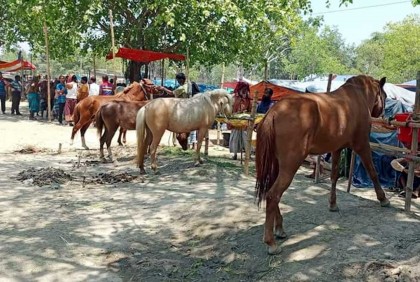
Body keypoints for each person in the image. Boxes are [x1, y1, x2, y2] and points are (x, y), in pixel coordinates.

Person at [229, 81, 251, 160]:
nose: (244, 91)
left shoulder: (248, 100)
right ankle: (235, 154)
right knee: (234, 139)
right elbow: (230, 110)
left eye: (246, 89)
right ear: (239, 89)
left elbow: (250, 111)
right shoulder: (233, 98)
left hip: (245, 123)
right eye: (243, 89)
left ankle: (248, 155)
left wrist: (246, 113)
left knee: (246, 139)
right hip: (235, 122)